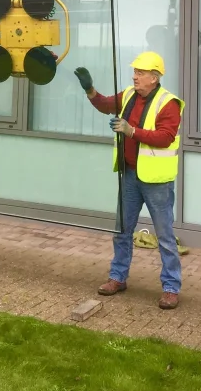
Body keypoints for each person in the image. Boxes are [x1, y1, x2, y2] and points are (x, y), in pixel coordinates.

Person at [74, 51, 184, 309]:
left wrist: (131, 130)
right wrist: (90, 89)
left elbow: (165, 137)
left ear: (154, 78)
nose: (134, 76)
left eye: (140, 72)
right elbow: (105, 105)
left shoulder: (169, 104)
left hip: (156, 181)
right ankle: (117, 277)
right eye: (135, 71)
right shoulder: (128, 96)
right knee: (121, 231)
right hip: (130, 175)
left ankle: (171, 288)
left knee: (165, 237)